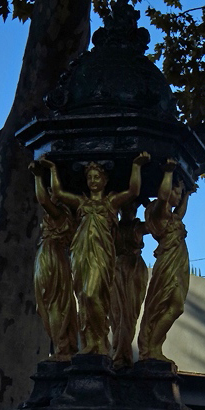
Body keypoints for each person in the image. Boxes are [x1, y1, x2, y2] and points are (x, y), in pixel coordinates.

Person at [40, 152, 150, 355]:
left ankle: (100, 342)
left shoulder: (111, 202)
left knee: (93, 295)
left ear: (105, 179)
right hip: (81, 254)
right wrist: (52, 170)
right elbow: (57, 191)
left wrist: (136, 166)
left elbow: (133, 191)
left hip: (102, 255)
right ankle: (90, 343)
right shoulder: (81, 203)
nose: (92, 181)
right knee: (83, 296)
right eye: (89, 177)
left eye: (96, 177)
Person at [138, 160, 196, 363]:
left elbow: (180, 213)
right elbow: (163, 197)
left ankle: (154, 346)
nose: (178, 197)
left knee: (176, 306)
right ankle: (152, 348)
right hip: (168, 262)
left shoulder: (173, 217)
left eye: (180, 194)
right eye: (177, 192)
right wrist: (168, 173)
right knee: (169, 304)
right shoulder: (158, 210)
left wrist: (187, 195)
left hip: (178, 261)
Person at [30, 160, 78, 360]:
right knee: (49, 305)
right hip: (49, 256)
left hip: (52, 256)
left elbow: (42, 200)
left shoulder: (60, 214)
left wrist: (39, 175)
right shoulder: (64, 217)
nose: (50, 194)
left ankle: (62, 348)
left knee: (55, 303)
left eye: (53, 191)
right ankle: (62, 346)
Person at [110, 199, 148, 368]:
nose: (129, 211)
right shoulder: (112, 227)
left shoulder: (138, 227)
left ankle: (123, 354)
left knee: (129, 313)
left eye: (132, 207)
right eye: (125, 208)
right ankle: (117, 351)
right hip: (116, 269)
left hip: (133, 270)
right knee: (116, 314)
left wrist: (147, 203)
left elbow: (159, 222)